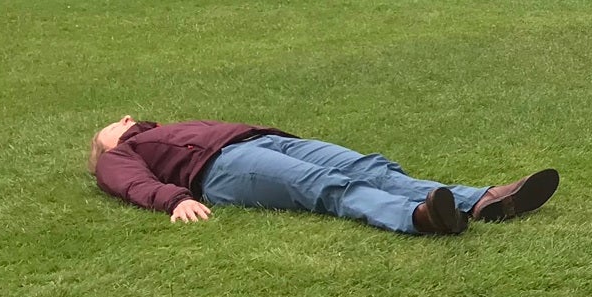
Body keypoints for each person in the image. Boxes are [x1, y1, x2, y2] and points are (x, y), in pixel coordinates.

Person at [88, 115, 559, 235]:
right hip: (223, 170)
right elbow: (130, 183)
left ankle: (478, 201)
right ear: (105, 143)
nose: (124, 118)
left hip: (264, 141)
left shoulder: (160, 129)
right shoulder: (118, 155)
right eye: (113, 123)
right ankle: (417, 217)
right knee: (326, 188)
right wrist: (175, 200)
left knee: (368, 166)